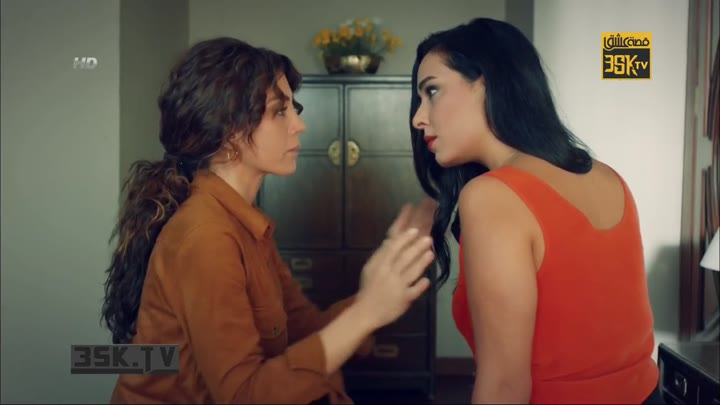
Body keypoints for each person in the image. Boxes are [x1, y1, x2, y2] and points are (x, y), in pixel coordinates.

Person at [101, 37, 434, 404]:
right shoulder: (206, 236)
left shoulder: (246, 224)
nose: (299, 125)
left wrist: (378, 284)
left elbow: (306, 330)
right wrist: (367, 313)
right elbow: (244, 395)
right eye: (279, 111)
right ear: (229, 132)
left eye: (294, 108)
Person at [409, 18, 663, 404]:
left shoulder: (492, 196)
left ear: (488, 83)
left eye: (432, 91)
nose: (418, 118)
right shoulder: (608, 177)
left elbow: (504, 387)